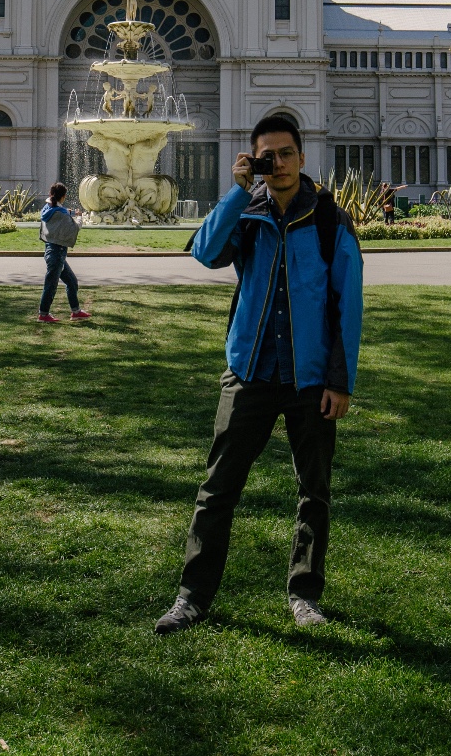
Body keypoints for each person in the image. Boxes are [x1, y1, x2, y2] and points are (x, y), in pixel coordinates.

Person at [154, 113, 364, 636]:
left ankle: (304, 596)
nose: (280, 164)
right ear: (256, 159)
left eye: (287, 153)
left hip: (310, 378)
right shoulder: (247, 212)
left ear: (302, 156)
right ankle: (192, 597)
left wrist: (340, 381)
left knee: (313, 493)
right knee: (218, 488)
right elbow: (204, 252)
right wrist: (236, 190)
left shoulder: (330, 220)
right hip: (249, 371)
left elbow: (349, 306)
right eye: (268, 156)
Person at [36, 183, 85, 321]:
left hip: (53, 251)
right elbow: (75, 227)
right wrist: (80, 216)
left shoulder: (47, 208)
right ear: (63, 196)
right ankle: (43, 314)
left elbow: (59, 212)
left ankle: (76, 312)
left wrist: (69, 212)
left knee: (72, 282)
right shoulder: (61, 214)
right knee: (51, 285)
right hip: (57, 253)